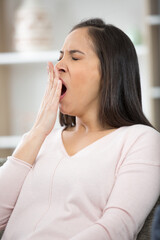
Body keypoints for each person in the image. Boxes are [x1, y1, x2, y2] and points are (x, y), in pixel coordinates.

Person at [0, 18, 160, 240]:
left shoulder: (141, 140)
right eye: (60, 56)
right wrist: (37, 131)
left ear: (109, 72)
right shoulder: (42, 140)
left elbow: (117, 228)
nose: (58, 66)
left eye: (74, 57)